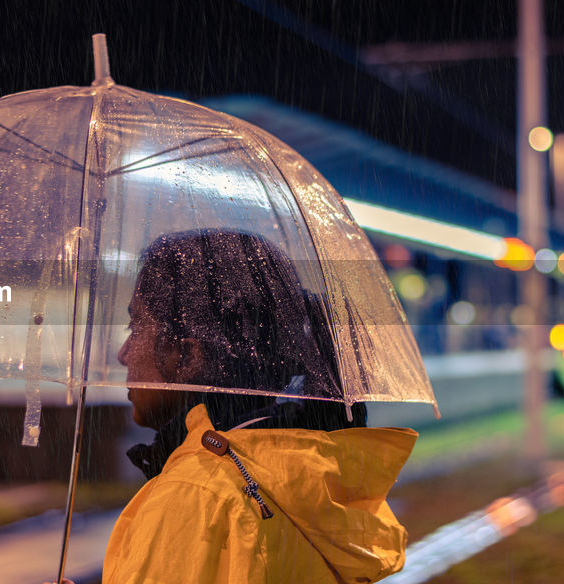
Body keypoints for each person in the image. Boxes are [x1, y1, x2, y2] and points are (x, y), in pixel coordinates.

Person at [101, 229, 418, 583]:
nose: (123, 353)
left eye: (135, 326)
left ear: (188, 355)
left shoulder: (194, 496)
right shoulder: (302, 478)